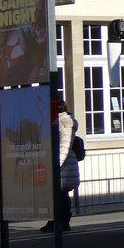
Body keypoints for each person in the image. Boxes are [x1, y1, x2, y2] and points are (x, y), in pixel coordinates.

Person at [42, 99, 79, 232]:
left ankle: (62, 222)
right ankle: (54, 221)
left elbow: (64, 146)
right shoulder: (56, 122)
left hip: (64, 166)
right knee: (55, 194)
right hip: (60, 164)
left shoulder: (65, 123)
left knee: (61, 194)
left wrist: (55, 165)